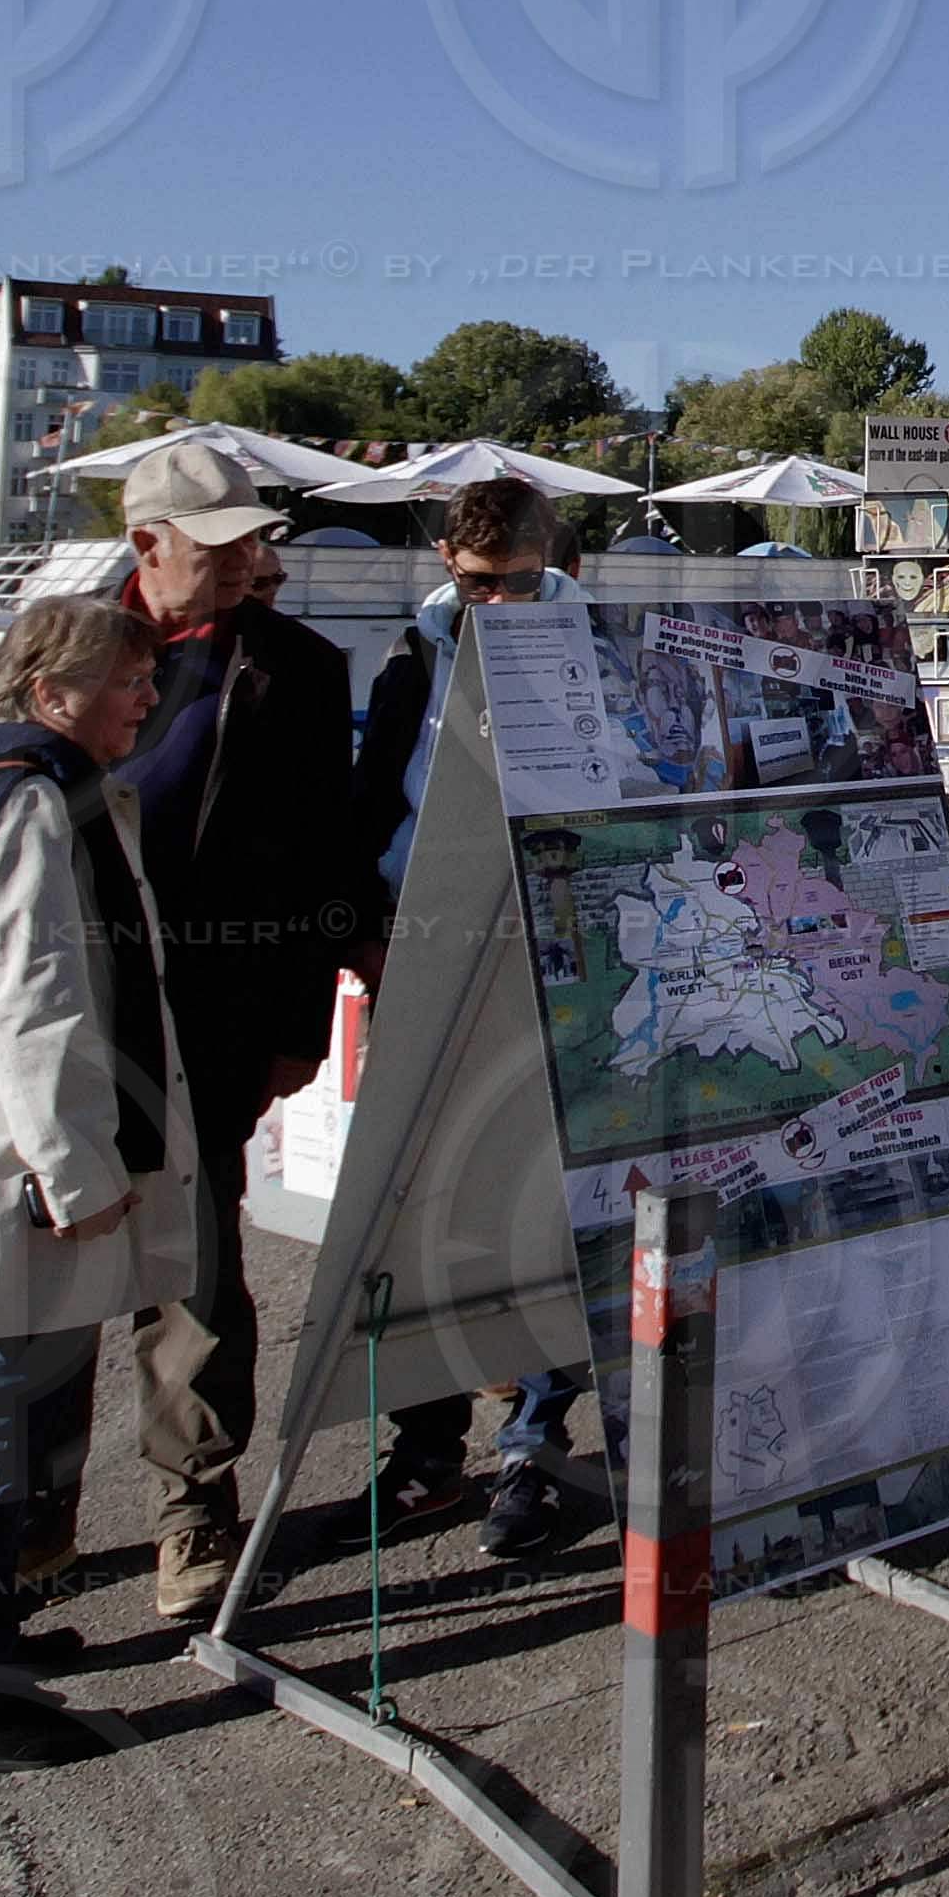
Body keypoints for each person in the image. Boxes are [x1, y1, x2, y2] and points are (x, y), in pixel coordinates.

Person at [0, 595, 191, 1782]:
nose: (145, 699)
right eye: (127, 681)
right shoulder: (30, 798)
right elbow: (33, 997)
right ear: (54, 687)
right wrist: (77, 1173)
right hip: (17, 1159)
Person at [107, 438, 381, 1626]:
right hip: (79, 1009)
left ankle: (193, 1508)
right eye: (219, 546)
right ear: (145, 544)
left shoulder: (298, 669)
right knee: (43, 1283)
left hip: (217, 1015)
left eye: (253, 541)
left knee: (197, 1266)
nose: (247, 562)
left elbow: (329, 851)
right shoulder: (62, 648)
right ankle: (27, 1522)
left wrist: (298, 1025)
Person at [347, 476, 594, 1561]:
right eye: (477, 582)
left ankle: (533, 1442)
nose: (498, 603)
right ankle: (428, 1437)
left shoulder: (593, 643)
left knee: (538, 1197)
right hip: (422, 928)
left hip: (546, 931)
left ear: (553, 557)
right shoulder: (421, 643)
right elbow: (376, 788)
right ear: (449, 558)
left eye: (518, 582)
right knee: (428, 1195)